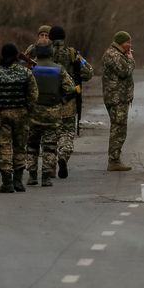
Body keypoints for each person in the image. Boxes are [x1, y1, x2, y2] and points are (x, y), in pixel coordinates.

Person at [0, 44, 38, 193]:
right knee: (20, 146)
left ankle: (7, 183)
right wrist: (27, 108)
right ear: (16, 56)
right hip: (22, 114)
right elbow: (33, 95)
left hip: (3, 115)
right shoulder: (26, 72)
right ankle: (18, 182)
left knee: (5, 147)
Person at [27, 40, 76, 187]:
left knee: (32, 145)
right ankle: (46, 177)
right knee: (49, 146)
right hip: (53, 114)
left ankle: (32, 176)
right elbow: (70, 88)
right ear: (51, 52)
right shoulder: (58, 69)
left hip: (34, 113)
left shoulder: (30, 69)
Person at [49, 25, 94, 179]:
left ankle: (50, 166)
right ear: (64, 38)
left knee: (50, 134)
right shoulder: (72, 53)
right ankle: (64, 154)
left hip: (47, 101)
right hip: (68, 100)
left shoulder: (43, 53)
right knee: (67, 132)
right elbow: (88, 73)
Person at [102, 31, 135, 171]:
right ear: (121, 42)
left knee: (118, 127)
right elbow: (125, 71)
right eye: (128, 42)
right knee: (118, 128)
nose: (130, 45)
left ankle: (115, 158)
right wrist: (131, 59)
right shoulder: (113, 55)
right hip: (117, 98)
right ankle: (114, 160)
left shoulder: (117, 54)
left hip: (118, 97)